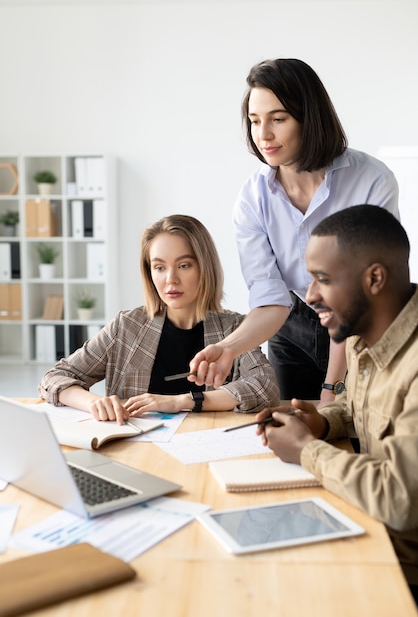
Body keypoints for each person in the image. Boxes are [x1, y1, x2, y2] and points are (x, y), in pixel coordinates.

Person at [189, 58, 399, 404]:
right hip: (293, 322)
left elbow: (359, 295)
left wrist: (334, 385)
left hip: (363, 323)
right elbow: (271, 299)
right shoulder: (252, 198)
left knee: (356, 433)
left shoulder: (371, 181)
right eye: (255, 121)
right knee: (294, 432)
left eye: (278, 119)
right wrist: (228, 349)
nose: (263, 135)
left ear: (309, 118)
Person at [255, 205, 418, 602]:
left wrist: (306, 451)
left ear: (375, 278)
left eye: (323, 280)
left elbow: (400, 499)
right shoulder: (367, 332)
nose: (310, 297)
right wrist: (322, 423)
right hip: (368, 531)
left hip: (401, 574)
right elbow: (358, 409)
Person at [38, 214, 280, 424]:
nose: (170, 279)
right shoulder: (127, 326)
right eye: (159, 267)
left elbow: (264, 387)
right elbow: (54, 379)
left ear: (205, 268)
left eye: (184, 265)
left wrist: (181, 402)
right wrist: (95, 403)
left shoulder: (234, 328)